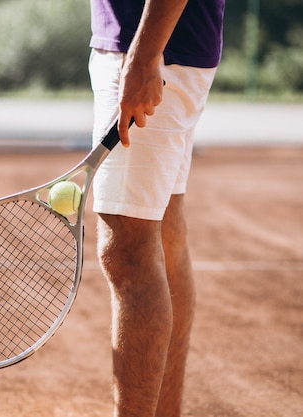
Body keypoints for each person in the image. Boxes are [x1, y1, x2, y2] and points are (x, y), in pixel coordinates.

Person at [88, 0, 225, 416]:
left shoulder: (148, 52)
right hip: (161, 47)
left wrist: (145, 53)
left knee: (127, 252)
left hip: (152, 48)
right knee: (163, 236)